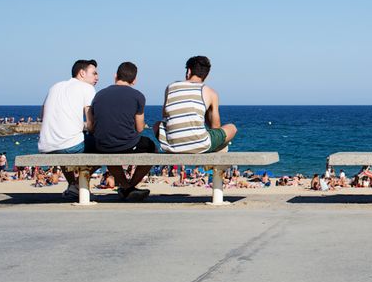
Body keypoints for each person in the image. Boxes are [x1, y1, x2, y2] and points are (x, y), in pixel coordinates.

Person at [91, 61, 157, 201]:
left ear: (116, 76)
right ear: (134, 80)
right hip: (126, 144)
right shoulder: (138, 96)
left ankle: (126, 187)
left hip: (102, 145)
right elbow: (139, 128)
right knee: (152, 149)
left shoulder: (99, 95)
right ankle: (130, 186)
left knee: (111, 152)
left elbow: (94, 124)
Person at [37, 59, 99, 201]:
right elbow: (91, 123)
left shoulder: (55, 86)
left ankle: (72, 185)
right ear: (82, 73)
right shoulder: (87, 88)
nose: (97, 77)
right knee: (107, 145)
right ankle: (77, 184)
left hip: (46, 145)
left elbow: (42, 114)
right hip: (69, 145)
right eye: (94, 73)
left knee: (69, 139)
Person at [155, 56, 237, 153]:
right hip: (200, 145)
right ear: (206, 75)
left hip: (171, 146)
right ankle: (215, 151)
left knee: (156, 125)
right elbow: (216, 127)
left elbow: (165, 116)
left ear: (189, 71)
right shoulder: (210, 92)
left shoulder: (170, 87)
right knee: (232, 128)